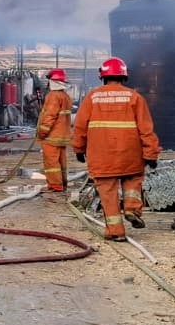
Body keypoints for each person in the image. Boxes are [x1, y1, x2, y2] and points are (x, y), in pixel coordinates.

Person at [71, 57, 160, 241]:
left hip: (102, 156)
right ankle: (132, 209)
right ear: (124, 76)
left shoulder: (92, 98)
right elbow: (146, 128)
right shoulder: (135, 97)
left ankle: (116, 232)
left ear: (102, 76)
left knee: (107, 192)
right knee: (133, 180)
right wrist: (151, 153)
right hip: (130, 154)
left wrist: (79, 149)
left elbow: (80, 126)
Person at [35, 68, 74, 193]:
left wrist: (42, 132)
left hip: (51, 137)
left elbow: (49, 116)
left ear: (52, 81)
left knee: (51, 162)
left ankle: (55, 185)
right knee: (61, 162)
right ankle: (62, 184)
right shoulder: (65, 96)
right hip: (62, 136)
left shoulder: (53, 96)